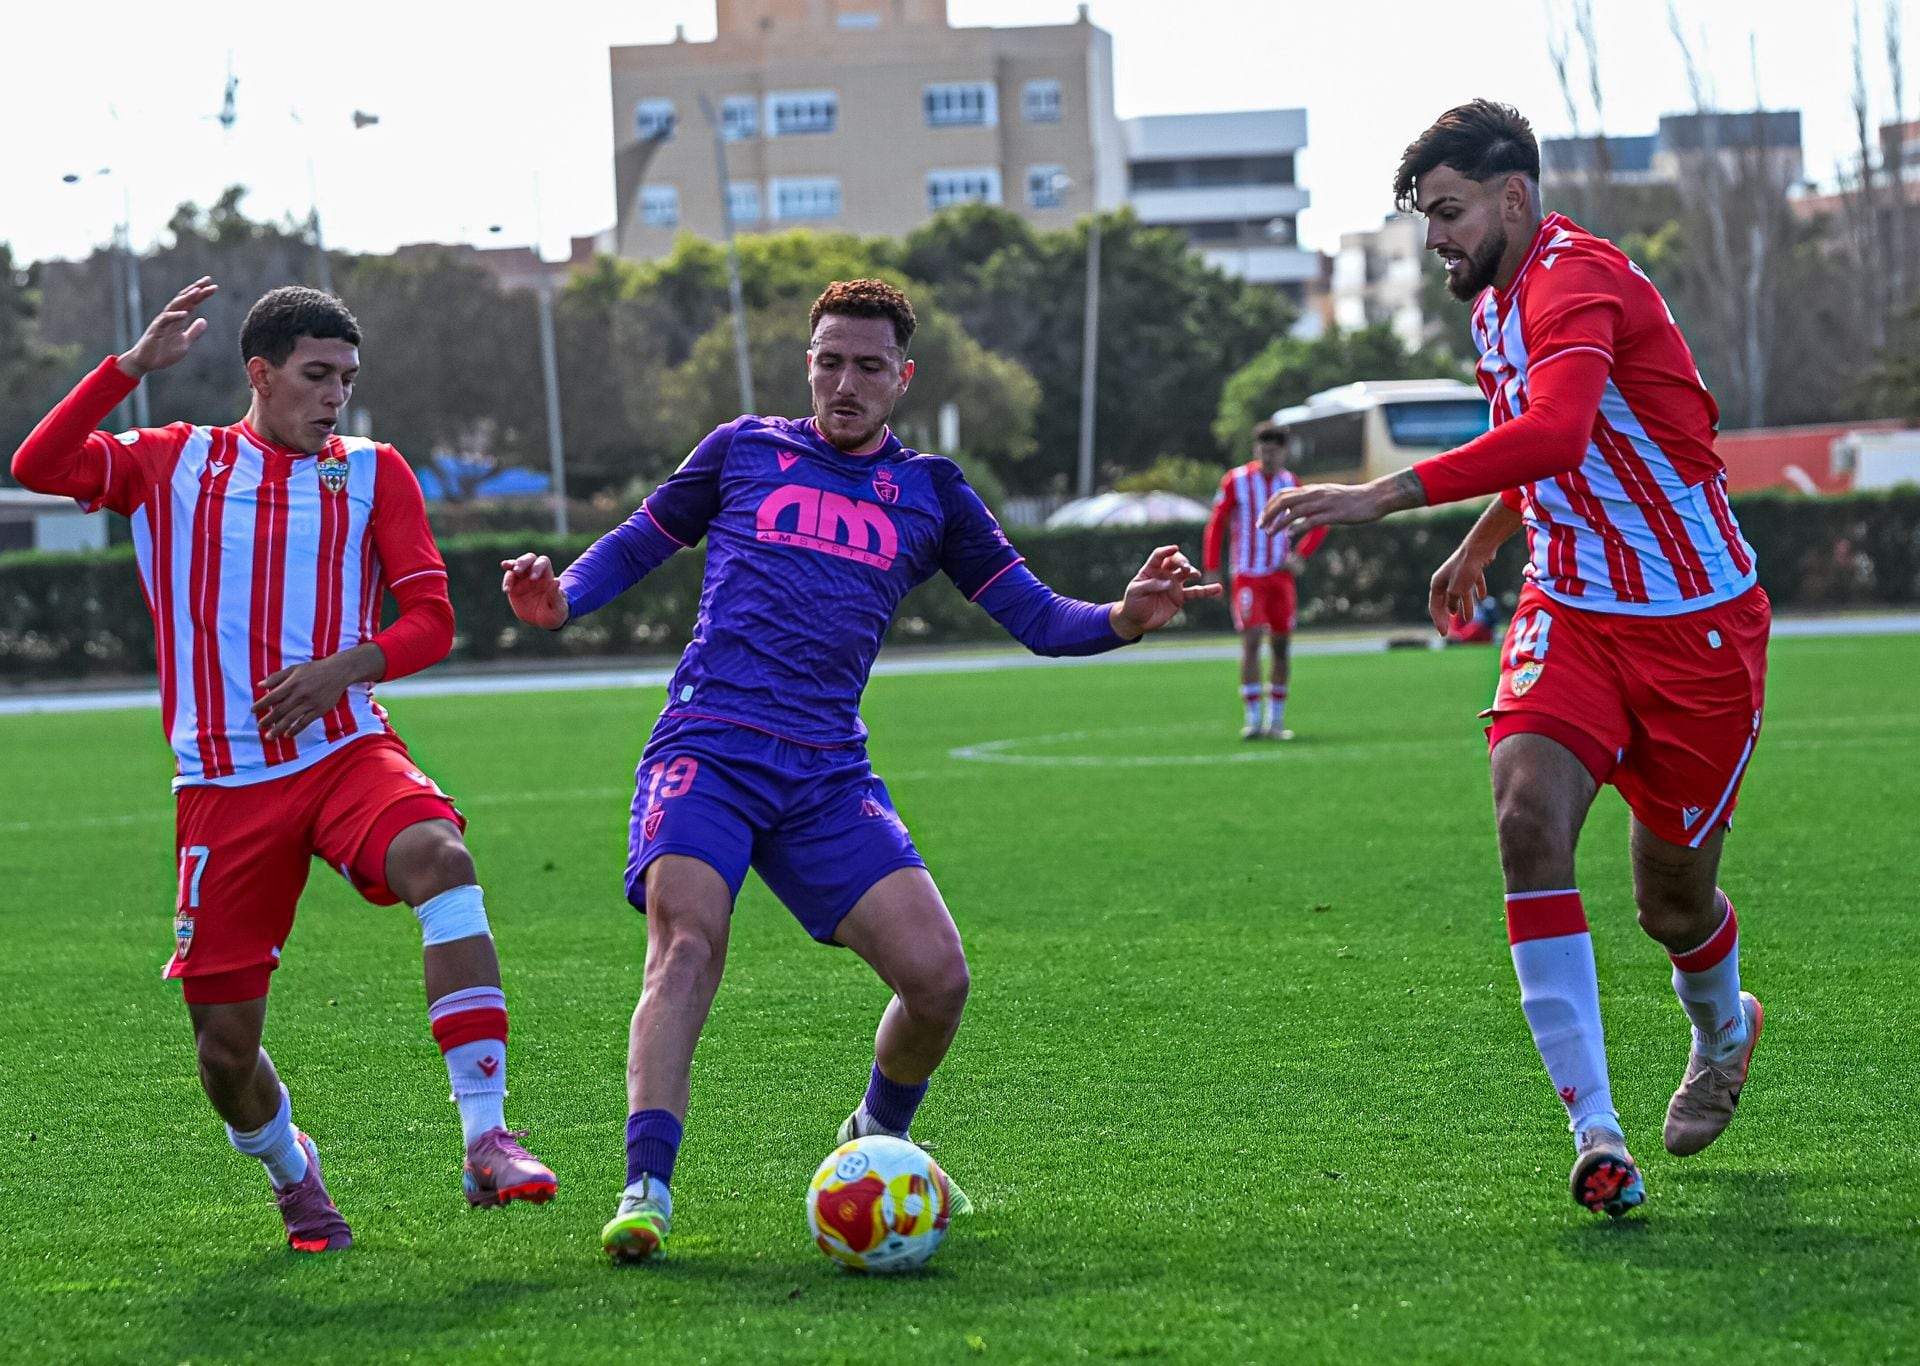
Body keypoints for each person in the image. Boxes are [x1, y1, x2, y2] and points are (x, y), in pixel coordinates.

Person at [501, 278, 1218, 1262]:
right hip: (707, 747)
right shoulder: (740, 450)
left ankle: (872, 1134)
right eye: (829, 360)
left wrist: (1122, 619)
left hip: (824, 774)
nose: (845, 382)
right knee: (686, 946)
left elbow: (1037, 617)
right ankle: (646, 1187)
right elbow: (632, 546)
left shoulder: (932, 492)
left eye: (867, 365)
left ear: (901, 377)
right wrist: (562, 599)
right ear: (808, 363)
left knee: (937, 981)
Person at [1260, 101, 1768, 1218]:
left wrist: (1383, 495)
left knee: (1670, 906)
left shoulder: (1576, 279)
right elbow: (1541, 458)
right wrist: (1481, 542)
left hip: (1695, 627)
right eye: (1424, 217)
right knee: (1524, 818)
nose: (1434, 236)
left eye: (1447, 212)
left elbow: (1560, 432)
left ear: (1513, 198)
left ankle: (1722, 1022)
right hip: (1569, 608)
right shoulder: (1492, 299)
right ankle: (1595, 1128)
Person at [11, 280, 557, 1253]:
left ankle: (487, 1137)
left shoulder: (373, 471)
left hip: (346, 749)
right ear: (260, 373)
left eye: (346, 377)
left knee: (441, 858)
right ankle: (293, 1173)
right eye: (315, 375)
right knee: (224, 1049)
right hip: (222, 785)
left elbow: (430, 619)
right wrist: (129, 368)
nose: (335, 394)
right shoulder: (172, 460)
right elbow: (38, 463)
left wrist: (345, 668)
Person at [1202, 422, 1328, 739]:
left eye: (1274, 451)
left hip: (1280, 577)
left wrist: (1300, 555)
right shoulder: (1237, 481)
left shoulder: (1291, 483)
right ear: (1256, 450)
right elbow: (1216, 524)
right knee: (1252, 639)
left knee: (1282, 647)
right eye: (1263, 450)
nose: (1268, 456)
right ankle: (1253, 718)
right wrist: (1212, 567)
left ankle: (1276, 720)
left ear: (1284, 452)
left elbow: (1318, 521)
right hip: (1247, 575)